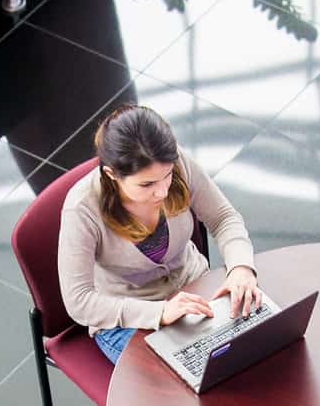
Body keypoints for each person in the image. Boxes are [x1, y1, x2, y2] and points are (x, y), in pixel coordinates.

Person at [60, 104, 260, 363]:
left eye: (167, 176)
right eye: (147, 184)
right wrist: (160, 312)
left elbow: (224, 218)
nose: (163, 191)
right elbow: (79, 301)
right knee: (181, 390)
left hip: (193, 287)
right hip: (127, 316)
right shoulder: (82, 209)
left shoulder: (177, 162)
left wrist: (241, 267)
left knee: (248, 354)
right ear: (111, 175)